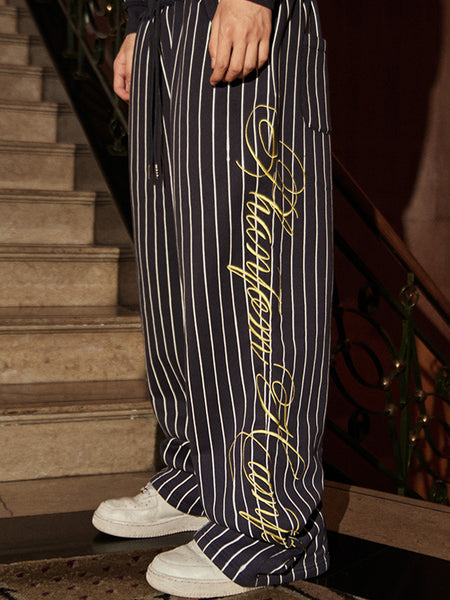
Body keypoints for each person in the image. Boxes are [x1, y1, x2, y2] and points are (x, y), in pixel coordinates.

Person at [93, 0, 333, 596]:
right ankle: (198, 478)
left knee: (255, 265)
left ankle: (272, 521)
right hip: (163, 26)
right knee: (176, 273)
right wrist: (138, 25)